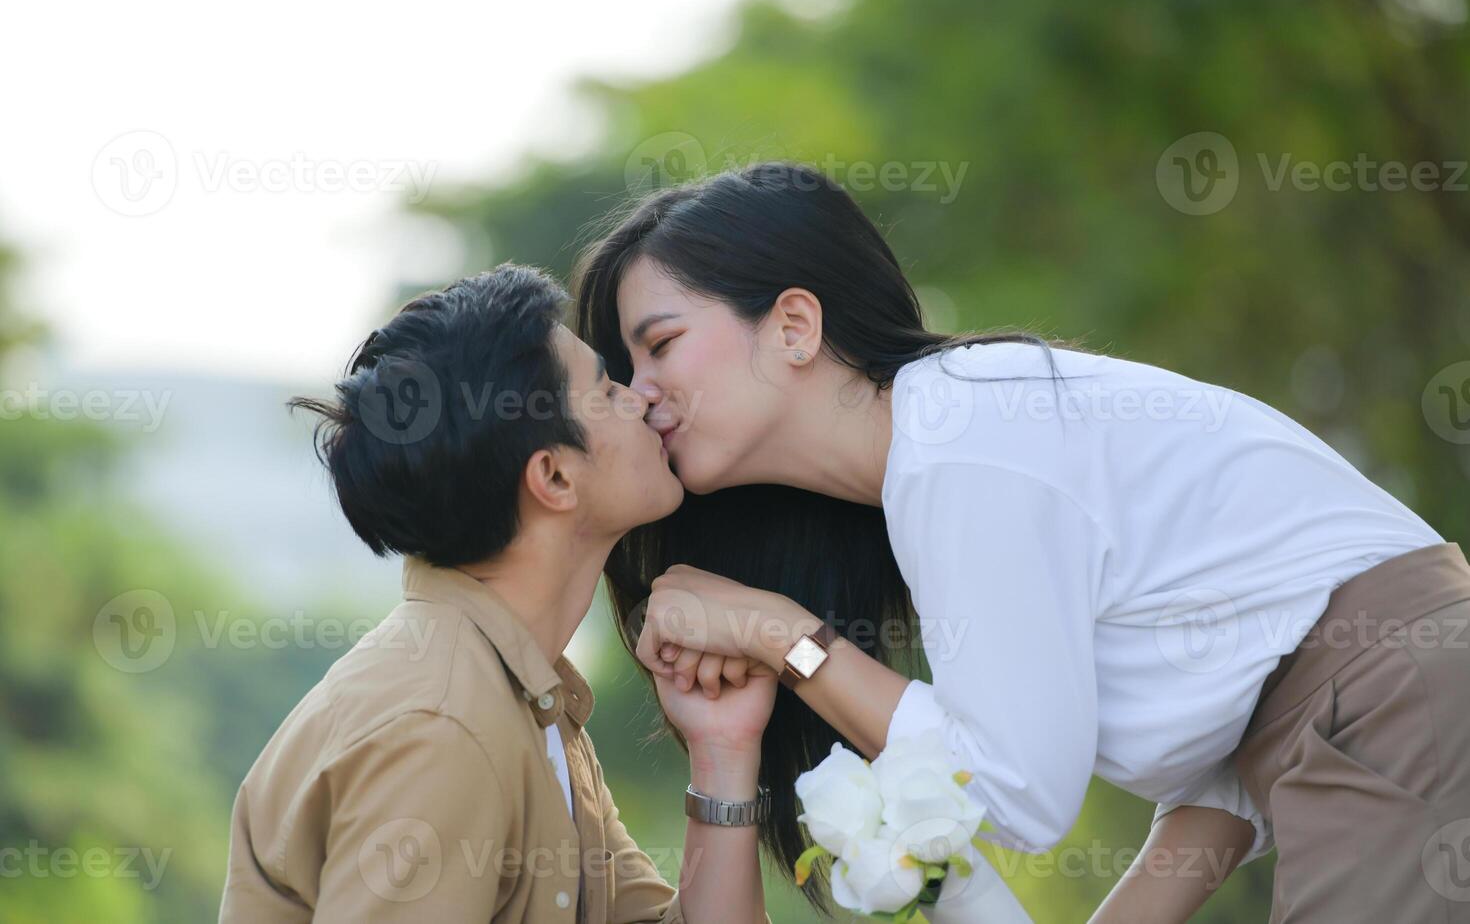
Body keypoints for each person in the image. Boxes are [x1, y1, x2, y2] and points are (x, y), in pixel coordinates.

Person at [572, 161, 1470, 922]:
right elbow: (1230, 766)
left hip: (1402, 697)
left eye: (661, 344)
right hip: (1381, 710)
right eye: (626, 366)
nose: (641, 390)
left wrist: (777, 632)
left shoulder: (964, 444)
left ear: (796, 327)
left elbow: (1017, 796)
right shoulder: (940, 459)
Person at [219, 265, 776, 923]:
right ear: (554, 477)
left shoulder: (514, 696)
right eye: (604, 390)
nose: (639, 398)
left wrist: (723, 754)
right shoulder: (443, 726)